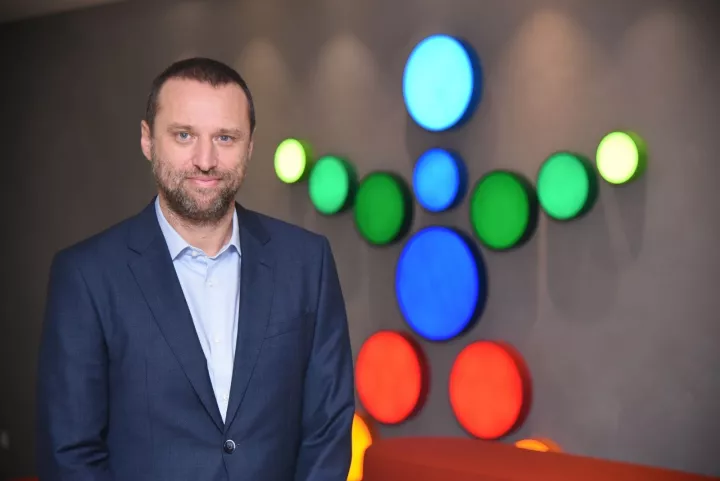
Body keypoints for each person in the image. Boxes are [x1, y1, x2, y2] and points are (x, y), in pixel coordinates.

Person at [35, 57, 355, 481]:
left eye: (225, 137)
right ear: (148, 140)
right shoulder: (86, 276)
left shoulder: (307, 262)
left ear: (250, 147)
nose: (206, 159)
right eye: (184, 135)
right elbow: (70, 453)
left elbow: (328, 428)